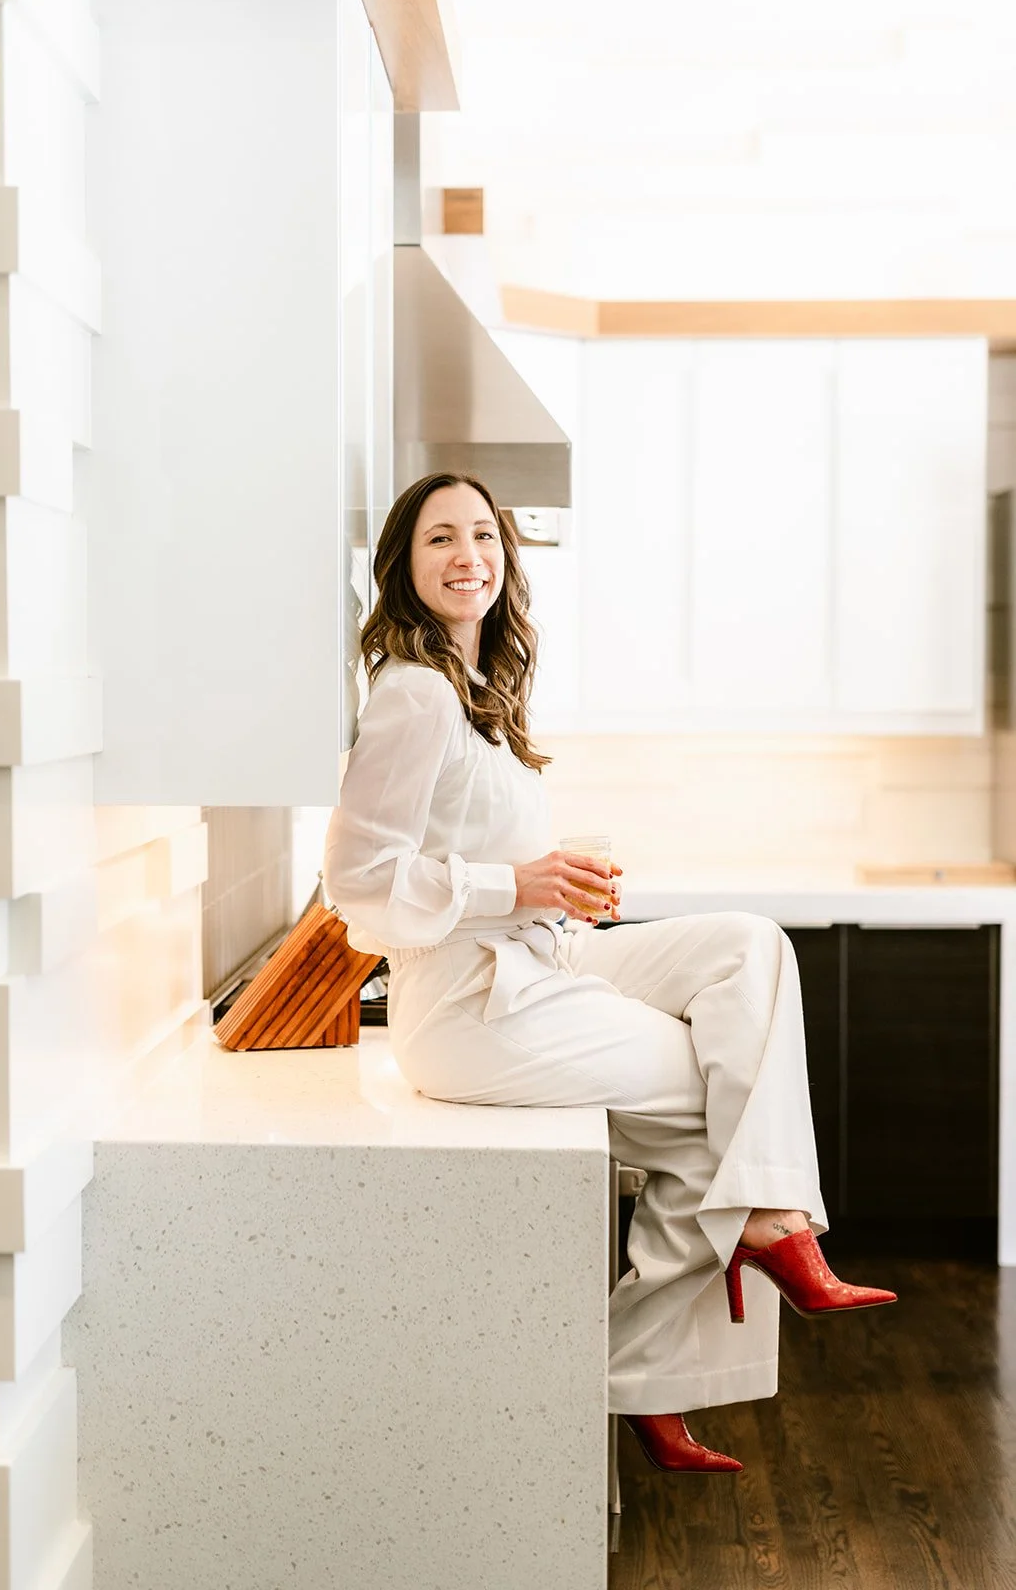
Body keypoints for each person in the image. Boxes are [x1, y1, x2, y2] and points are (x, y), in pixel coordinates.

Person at [323, 471, 896, 1474]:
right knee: (726, 1093)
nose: (471, 557)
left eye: (484, 537)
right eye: (440, 540)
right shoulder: (411, 693)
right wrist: (517, 882)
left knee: (750, 947)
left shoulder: (477, 691)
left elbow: (474, 863)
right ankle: (748, 1249)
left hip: (542, 957)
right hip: (470, 1005)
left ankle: (750, 1241)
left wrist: (545, 891)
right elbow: (356, 886)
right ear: (404, 571)